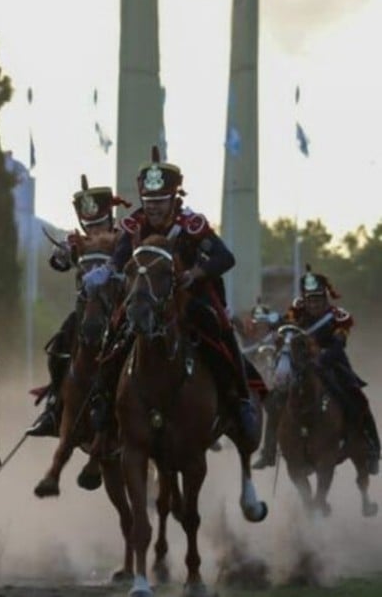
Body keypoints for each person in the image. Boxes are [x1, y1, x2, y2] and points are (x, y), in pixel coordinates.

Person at [88, 147, 262, 446]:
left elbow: (225, 258)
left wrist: (195, 273)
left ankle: (241, 400)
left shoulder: (191, 225)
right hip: (147, 297)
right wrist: (106, 271)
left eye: (160, 201)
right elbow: (120, 256)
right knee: (114, 331)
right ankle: (102, 400)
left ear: (173, 198)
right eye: (149, 201)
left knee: (219, 331)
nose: (153, 208)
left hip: (191, 296)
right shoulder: (135, 225)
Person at [27, 176, 127, 437]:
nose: (95, 230)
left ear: (110, 219)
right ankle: (54, 406)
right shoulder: (78, 244)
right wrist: (62, 254)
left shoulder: (123, 240)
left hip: (121, 312)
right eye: (89, 225)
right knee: (60, 345)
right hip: (87, 312)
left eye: (99, 224)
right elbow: (58, 264)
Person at [253, 268, 379, 474]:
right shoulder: (297, 310)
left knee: (356, 398)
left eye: (318, 299)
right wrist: (277, 327)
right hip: (300, 364)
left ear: (325, 298)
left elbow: (339, 345)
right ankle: (268, 451)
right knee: (274, 400)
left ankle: (372, 449)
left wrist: (321, 358)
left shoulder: (339, 317)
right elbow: (285, 328)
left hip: (331, 364)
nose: (313, 304)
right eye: (310, 299)